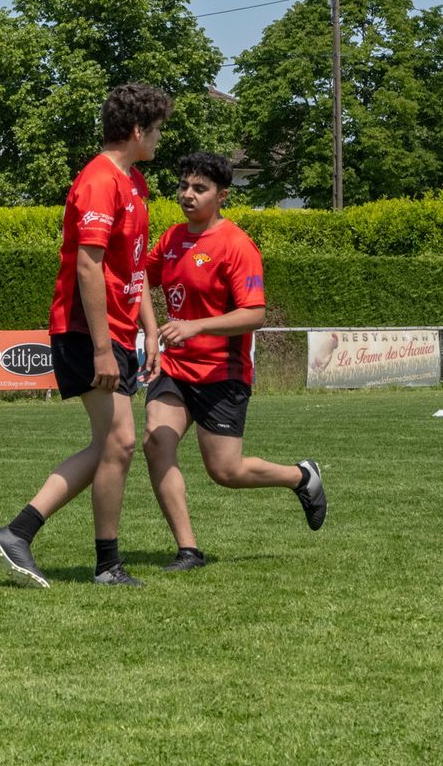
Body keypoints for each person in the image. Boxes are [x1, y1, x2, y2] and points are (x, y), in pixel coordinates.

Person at [0, 84, 169, 587]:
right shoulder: (99, 180)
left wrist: (151, 331)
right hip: (86, 333)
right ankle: (103, 563)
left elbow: (134, 269)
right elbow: (89, 268)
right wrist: (104, 350)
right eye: (157, 130)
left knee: (113, 444)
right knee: (120, 441)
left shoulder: (134, 183)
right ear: (137, 130)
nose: (160, 139)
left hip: (115, 333)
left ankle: (21, 532)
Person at [140, 151, 325, 572]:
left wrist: (196, 326)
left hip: (222, 373)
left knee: (225, 471)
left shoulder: (237, 245)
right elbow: (137, 280)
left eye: (199, 189)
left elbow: (254, 314)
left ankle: (302, 477)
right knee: (155, 440)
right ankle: (188, 550)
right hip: (175, 369)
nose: (188, 195)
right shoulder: (171, 240)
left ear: (222, 196)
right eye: (184, 186)